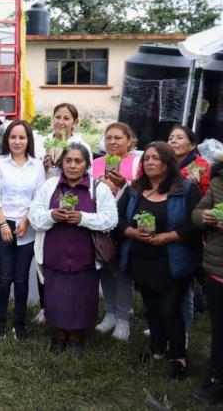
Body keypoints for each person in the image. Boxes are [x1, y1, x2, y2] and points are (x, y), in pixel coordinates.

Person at [117, 141, 201, 379]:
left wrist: (169, 237)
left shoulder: (185, 189)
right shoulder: (135, 189)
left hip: (174, 260)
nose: (150, 162)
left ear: (167, 162)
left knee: (170, 309)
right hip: (142, 259)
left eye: (155, 158)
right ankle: (157, 351)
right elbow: (118, 218)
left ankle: (179, 358)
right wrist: (131, 232)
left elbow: (195, 223)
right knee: (152, 308)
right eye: (146, 159)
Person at [28, 143, 117, 357]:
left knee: (82, 299)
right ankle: (59, 336)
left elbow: (111, 219)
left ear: (87, 165)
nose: (73, 165)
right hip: (55, 255)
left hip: (84, 258)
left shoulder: (99, 188)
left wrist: (83, 218)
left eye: (78, 161)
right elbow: (34, 216)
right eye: (68, 161)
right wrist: (52, 215)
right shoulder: (50, 186)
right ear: (62, 163)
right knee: (55, 297)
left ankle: (76, 338)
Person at [33, 102, 92, 325]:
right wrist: (45, 164)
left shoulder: (80, 145)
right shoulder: (43, 142)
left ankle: (67, 306)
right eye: (58, 117)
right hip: (47, 205)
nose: (61, 122)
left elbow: (89, 176)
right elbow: (36, 174)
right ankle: (45, 306)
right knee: (44, 258)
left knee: (68, 261)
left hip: (72, 206)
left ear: (75, 122)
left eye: (67, 118)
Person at [0, 120, 45, 341]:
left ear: (28, 140)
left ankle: (19, 323)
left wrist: (26, 221)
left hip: (26, 226)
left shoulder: (37, 165)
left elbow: (38, 198)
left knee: (21, 278)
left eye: (22, 137)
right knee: (3, 278)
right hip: (1, 223)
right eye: (13, 137)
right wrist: (3, 224)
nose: (17, 141)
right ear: (6, 140)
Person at [92, 122, 140, 341]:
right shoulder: (96, 163)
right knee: (104, 269)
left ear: (129, 141)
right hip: (102, 226)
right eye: (108, 137)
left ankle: (123, 319)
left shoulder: (137, 161)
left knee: (123, 273)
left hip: (125, 226)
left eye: (118, 138)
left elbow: (144, 191)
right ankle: (110, 313)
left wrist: (125, 184)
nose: (112, 142)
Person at [168, 124, 211, 339]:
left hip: (189, 230)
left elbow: (208, 198)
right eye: (170, 137)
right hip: (166, 226)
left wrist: (196, 187)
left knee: (184, 284)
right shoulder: (164, 165)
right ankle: (163, 324)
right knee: (165, 278)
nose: (173, 140)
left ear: (192, 144)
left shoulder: (201, 166)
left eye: (179, 137)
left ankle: (182, 332)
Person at [192, 164, 223, 403]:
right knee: (219, 329)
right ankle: (217, 378)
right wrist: (204, 217)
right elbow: (197, 213)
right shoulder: (218, 182)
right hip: (217, 270)